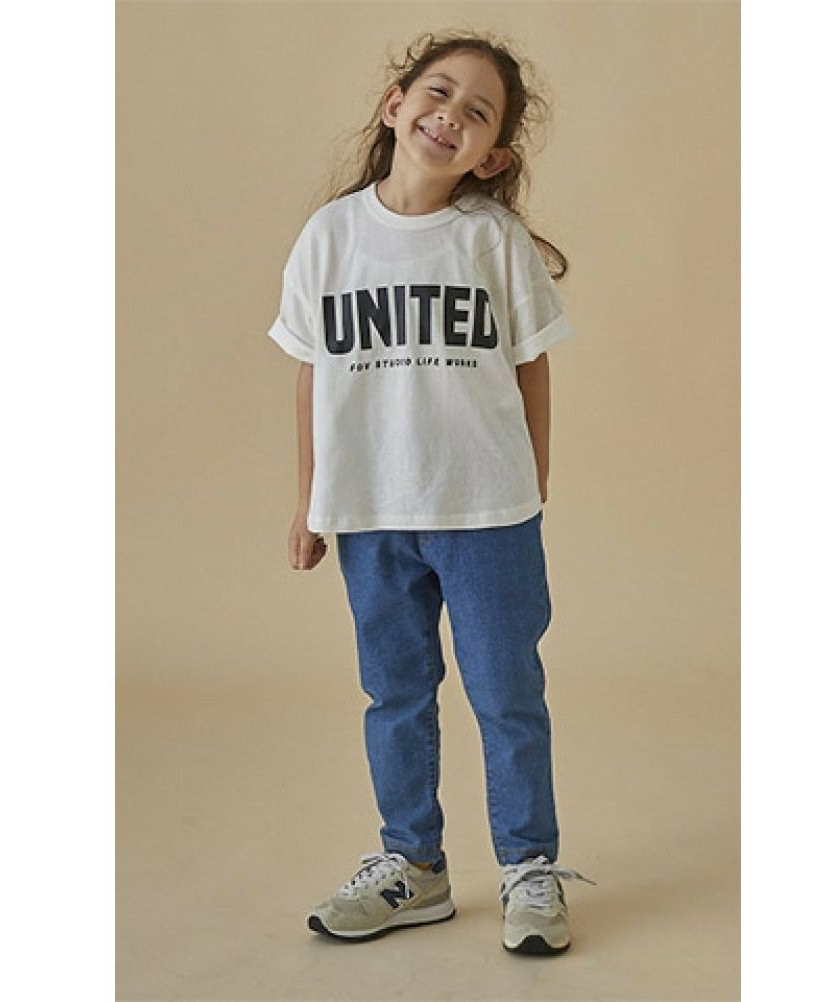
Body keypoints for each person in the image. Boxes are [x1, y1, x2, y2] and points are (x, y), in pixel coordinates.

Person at [265, 29, 595, 955]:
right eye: (437, 93)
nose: (450, 115)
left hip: (487, 514)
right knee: (395, 693)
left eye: (477, 112)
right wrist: (310, 500)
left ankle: (528, 866)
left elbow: (531, 364)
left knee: (506, 692)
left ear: (491, 156)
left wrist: (532, 480)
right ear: (395, 105)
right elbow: (311, 373)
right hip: (370, 511)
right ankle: (413, 865)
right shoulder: (330, 236)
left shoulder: (492, 240)